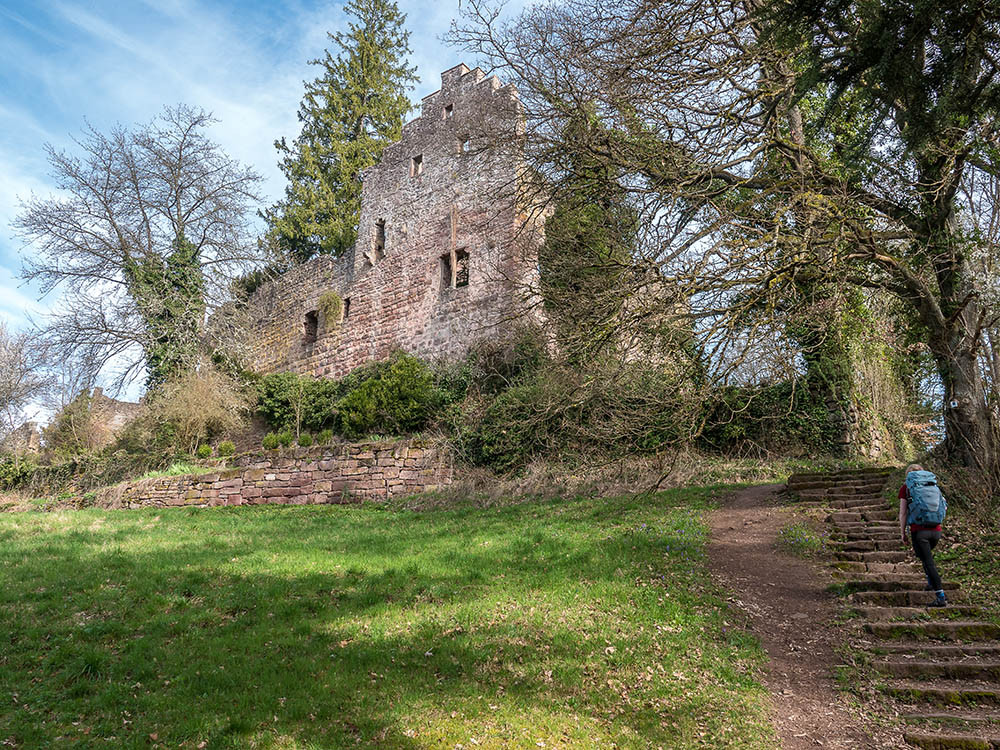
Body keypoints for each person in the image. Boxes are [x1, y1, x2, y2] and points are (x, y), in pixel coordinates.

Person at [898, 463, 947, 607]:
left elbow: (903, 513)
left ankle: (940, 596)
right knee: (924, 557)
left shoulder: (906, 488)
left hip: (919, 531)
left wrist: (902, 533)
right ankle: (931, 583)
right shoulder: (933, 486)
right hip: (936, 530)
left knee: (928, 562)